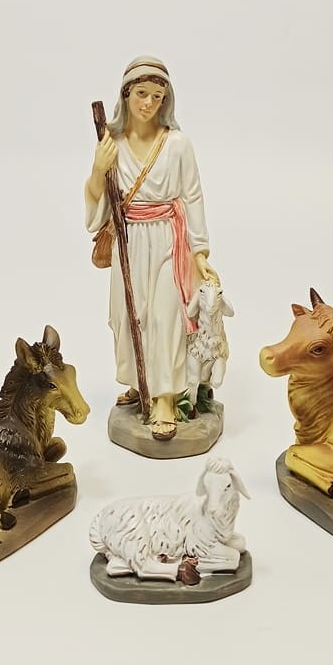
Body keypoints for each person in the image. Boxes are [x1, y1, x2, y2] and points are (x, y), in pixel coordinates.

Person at [85, 56, 218, 441]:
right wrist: (98, 169)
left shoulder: (177, 144)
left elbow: (192, 196)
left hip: (168, 240)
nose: (148, 103)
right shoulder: (112, 143)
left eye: (157, 96)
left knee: (164, 316)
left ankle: (163, 398)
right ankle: (138, 380)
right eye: (141, 93)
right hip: (129, 240)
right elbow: (96, 204)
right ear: (126, 95)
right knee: (129, 316)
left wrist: (200, 251)